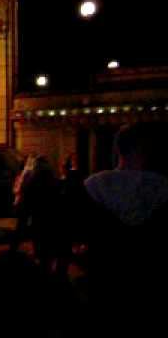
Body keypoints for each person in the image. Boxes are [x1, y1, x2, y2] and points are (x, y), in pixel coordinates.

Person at [84, 122, 168, 336]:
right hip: (147, 279)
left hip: (104, 277)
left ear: (118, 149)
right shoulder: (161, 188)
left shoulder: (94, 186)